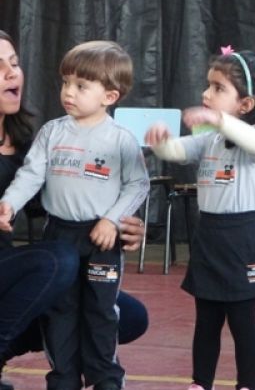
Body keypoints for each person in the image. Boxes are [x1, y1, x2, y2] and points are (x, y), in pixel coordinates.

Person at [0, 30, 149, 390]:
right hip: (47, 247)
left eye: (14, 63)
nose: (68, 92)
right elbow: (30, 180)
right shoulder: (53, 133)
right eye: (66, 83)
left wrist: (117, 220)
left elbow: (135, 184)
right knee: (60, 285)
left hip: (91, 242)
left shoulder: (112, 139)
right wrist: (9, 203)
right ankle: (62, 378)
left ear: (109, 96)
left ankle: (105, 378)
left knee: (113, 312)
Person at [144, 46, 255, 390]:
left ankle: (247, 385)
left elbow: (254, 142)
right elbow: (178, 151)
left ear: (245, 104)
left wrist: (219, 119)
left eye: (218, 88)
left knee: (242, 321)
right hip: (210, 237)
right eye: (208, 86)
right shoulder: (211, 140)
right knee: (206, 320)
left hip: (244, 239)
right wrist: (161, 142)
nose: (206, 94)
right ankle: (200, 382)